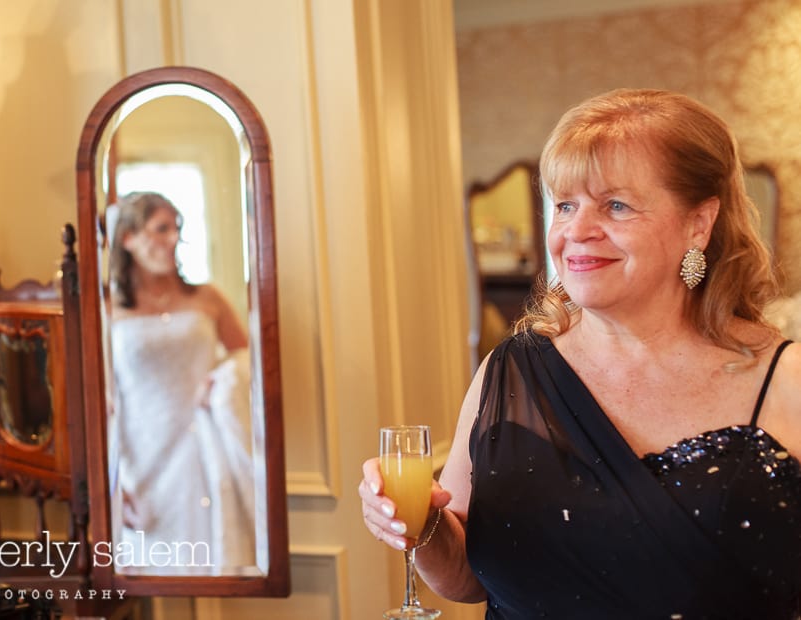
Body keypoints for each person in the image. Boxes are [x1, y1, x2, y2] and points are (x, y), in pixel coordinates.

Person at [359, 89, 801, 618]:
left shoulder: (785, 380)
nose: (576, 232)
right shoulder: (510, 372)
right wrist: (423, 526)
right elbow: (465, 581)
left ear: (698, 223)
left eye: (615, 205)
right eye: (565, 205)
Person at [107, 191, 255, 575]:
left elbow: (247, 357)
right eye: (160, 229)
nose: (172, 239)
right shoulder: (109, 309)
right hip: (140, 454)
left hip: (202, 446)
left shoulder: (207, 297)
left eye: (176, 229)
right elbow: (101, 397)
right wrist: (111, 481)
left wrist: (221, 377)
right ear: (128, 238)